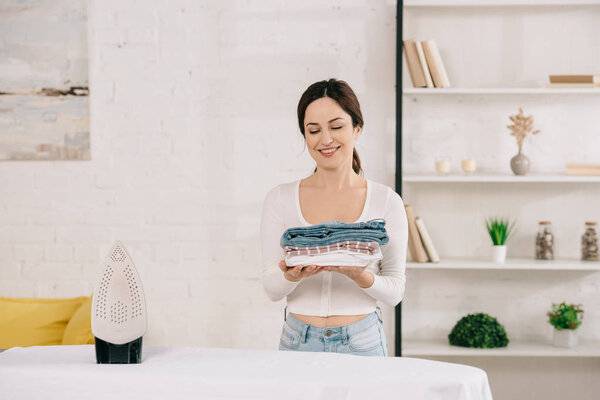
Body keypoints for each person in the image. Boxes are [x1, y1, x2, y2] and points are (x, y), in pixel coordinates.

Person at [260, 78, 408, 357]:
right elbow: (271, 288)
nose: (325, 139)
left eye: (336, 126)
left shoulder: (386, 201)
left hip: (362, 341)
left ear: (357, 128)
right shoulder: (279, 199)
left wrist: (361, 277)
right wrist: (292, 277)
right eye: (313, 130)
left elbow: (395, 291)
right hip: (297, 341)